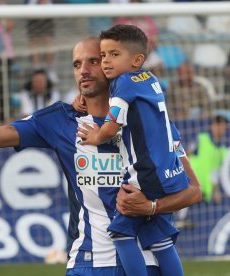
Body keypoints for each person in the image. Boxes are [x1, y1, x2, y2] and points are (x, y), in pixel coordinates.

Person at [0, 37, 202, 276]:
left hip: (146, 261)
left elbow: (193, 191)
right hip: (87, 261)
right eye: (76, 65)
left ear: (113, 62)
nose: (84, 70)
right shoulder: (59, 120)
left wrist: (151, 207)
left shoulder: (150, 119)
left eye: (94, 61)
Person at [76, 25, 189, 276]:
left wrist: (96, 136)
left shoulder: (123, 83)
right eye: (104, 55)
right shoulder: (150, 79)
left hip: (144, 174)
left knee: (121, 233)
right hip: (169, 170)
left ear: (137, 59)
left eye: (114, 55)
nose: (106, 62)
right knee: (160, 241)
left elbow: (111, 124)